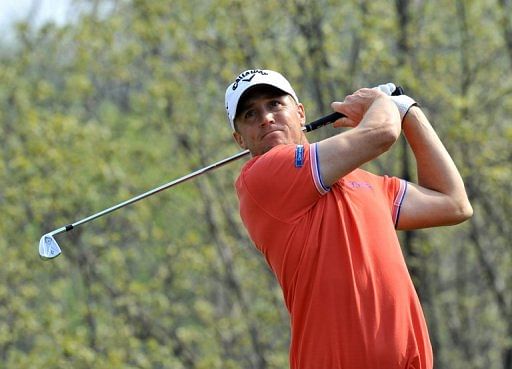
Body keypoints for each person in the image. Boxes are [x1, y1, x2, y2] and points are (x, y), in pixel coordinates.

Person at [224, 69, 473, 369]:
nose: (266, 118)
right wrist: (381, 102)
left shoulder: (365, 183)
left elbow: (453, 202)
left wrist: (408, 110)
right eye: (250, 114)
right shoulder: (261, 178)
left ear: (300, 113)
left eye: (275, 104)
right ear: (240, 139)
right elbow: (381, 133)